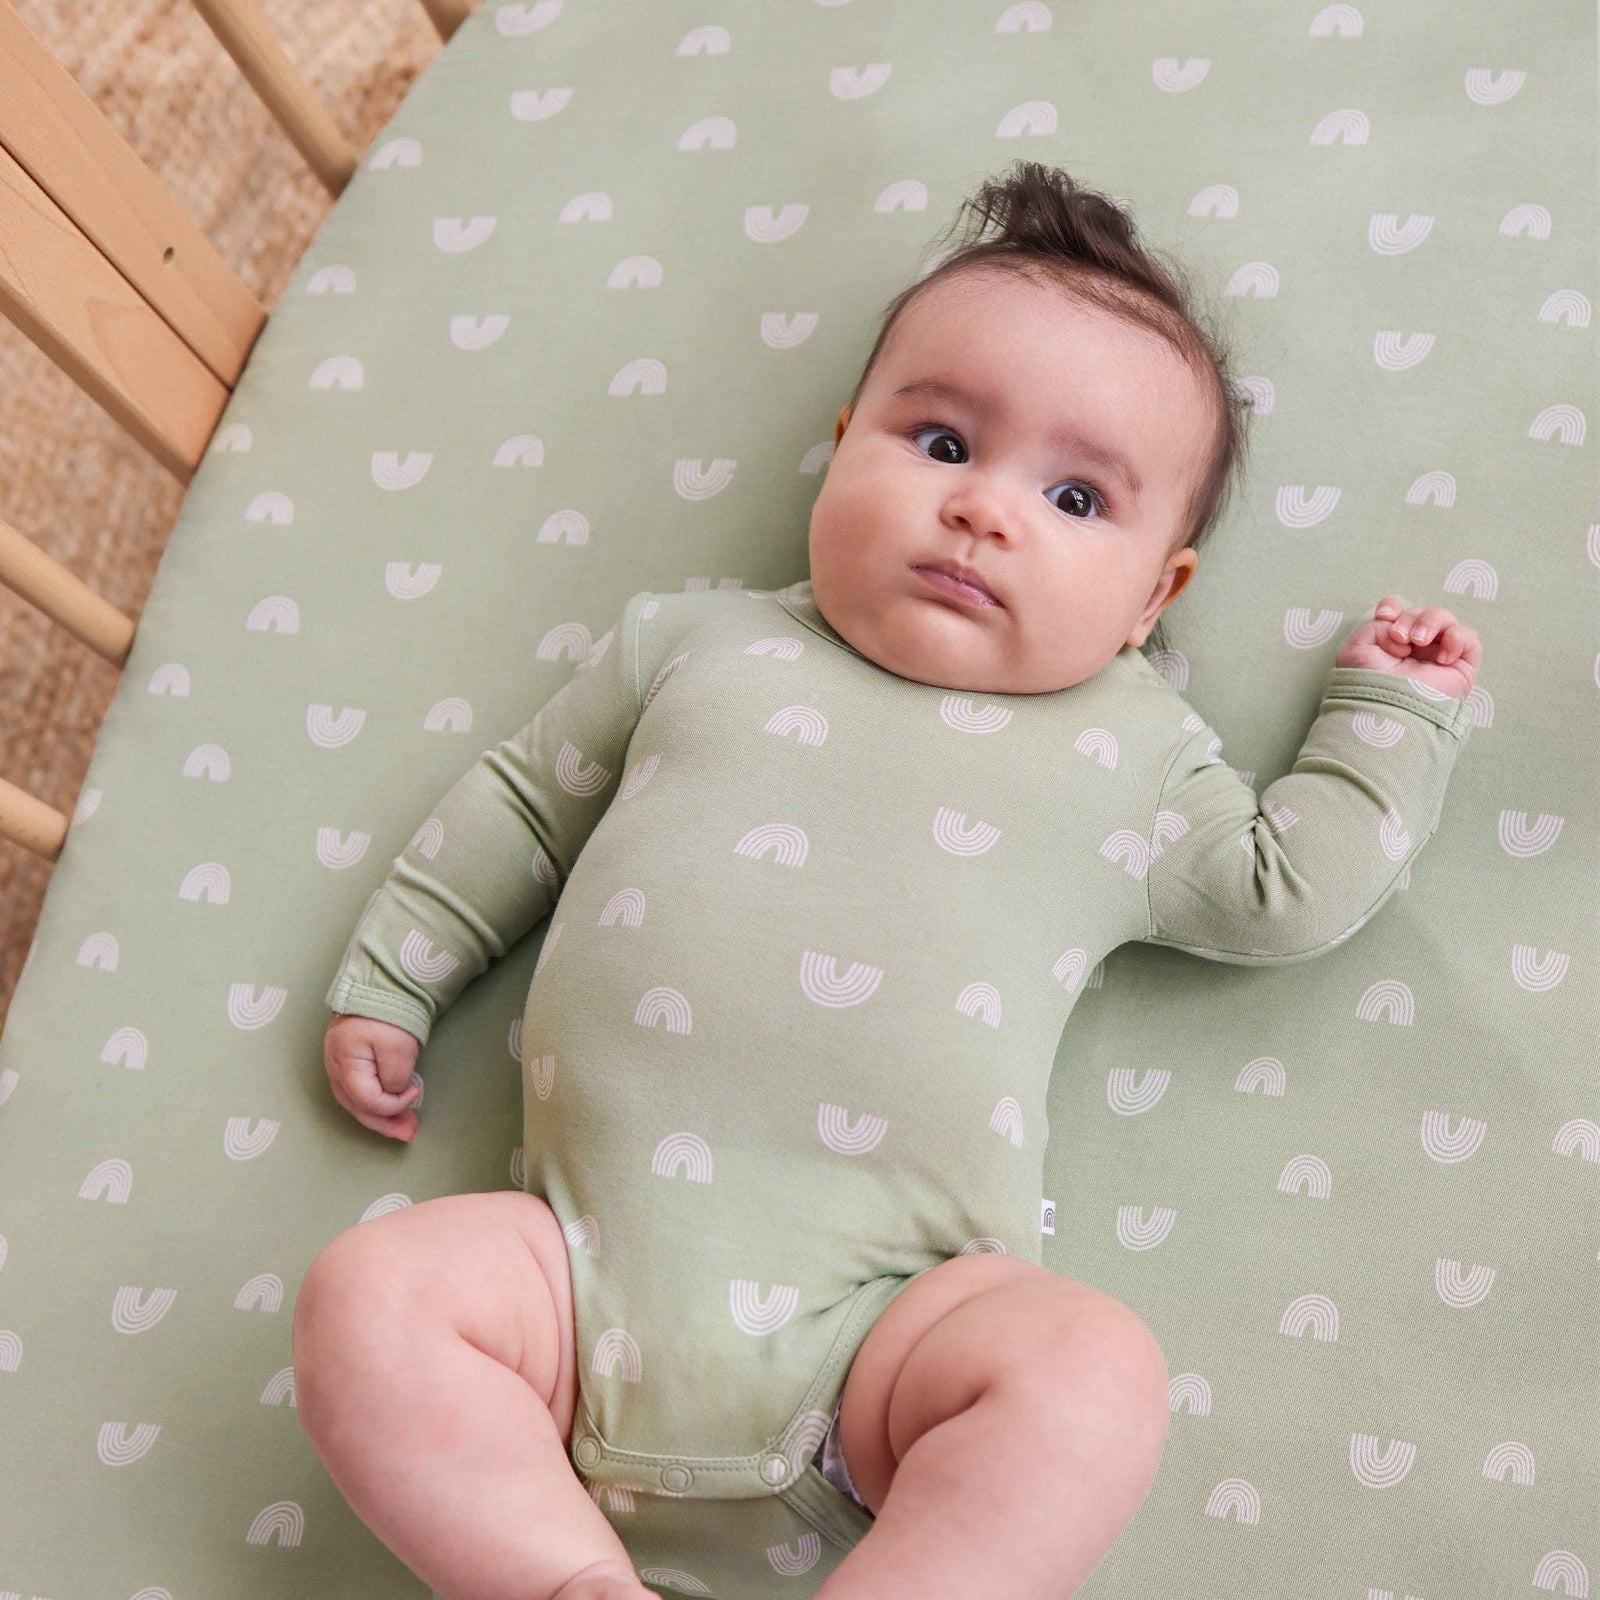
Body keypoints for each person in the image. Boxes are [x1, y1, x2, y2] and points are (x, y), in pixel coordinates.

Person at [292, 162, 1482, 1600]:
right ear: (845, 441)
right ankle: (561, 1579)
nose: (984, 510)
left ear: (1151, 597)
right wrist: (395, 976)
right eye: (940, 441)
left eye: (1074, 496)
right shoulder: (695, 646)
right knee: (371, 1294)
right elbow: (523, 808)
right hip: (576, 1286)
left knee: (1091, 1371)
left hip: (886, 1341)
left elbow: (1286, 888)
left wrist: (1387, 716)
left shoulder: (1132, 754)